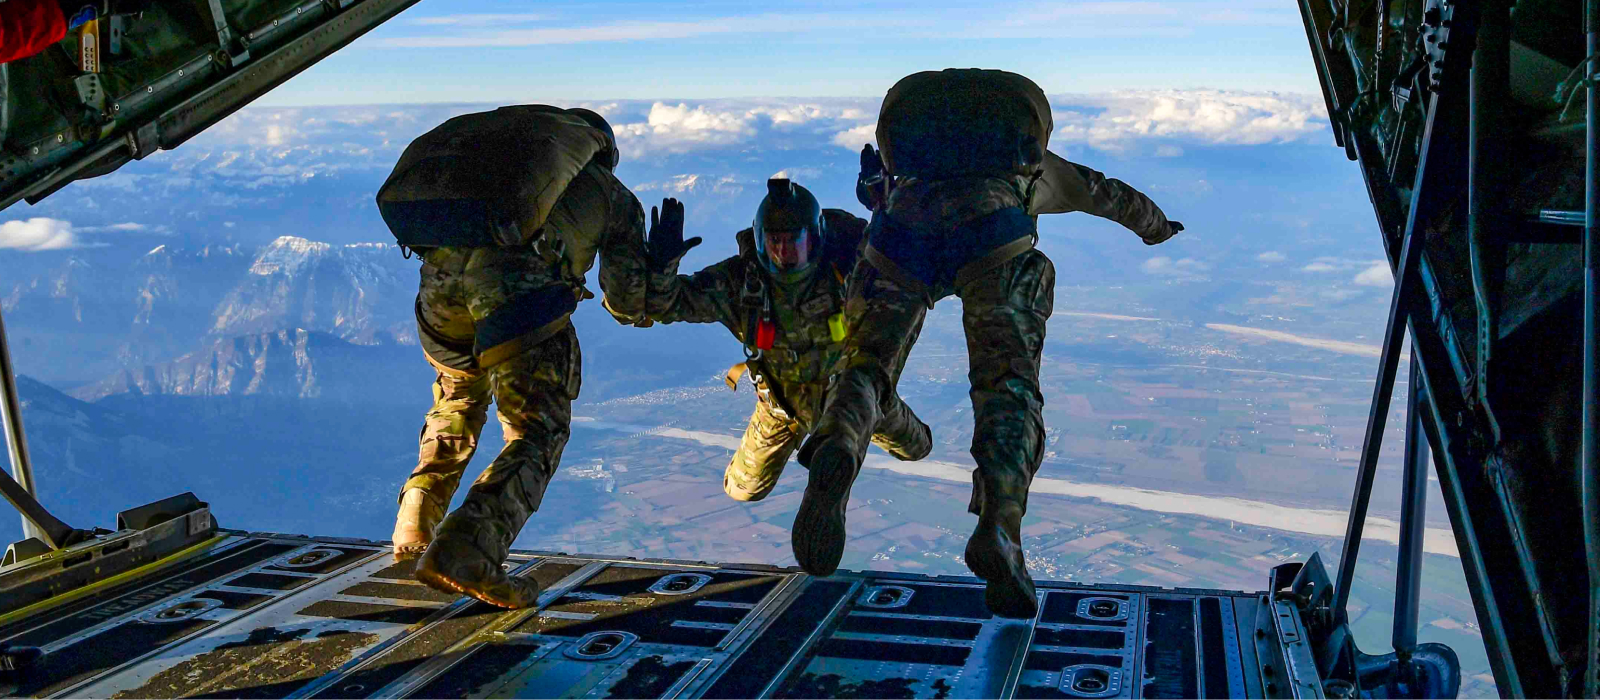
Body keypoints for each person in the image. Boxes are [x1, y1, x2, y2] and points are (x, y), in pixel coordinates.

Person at [796, 69, 1183, 618]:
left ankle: (839, 437)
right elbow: (1113, 197)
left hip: (899, 234)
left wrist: (876, 191)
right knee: (1008, 390)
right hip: (994, 240)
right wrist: (1158, 227)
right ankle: (1000, 526)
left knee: (865, 364)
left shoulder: (906, 171)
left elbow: (877, 199)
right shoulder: (1040, 167)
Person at [375, 105, 649, 608]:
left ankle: (415, 519)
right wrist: (658, 273)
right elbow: (629, 302)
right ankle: (469, 547)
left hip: (438, 291)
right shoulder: (613, 196)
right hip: (515, 294)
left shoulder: (496, 182)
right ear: (602, 154)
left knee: (456, 401)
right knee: (536, 430)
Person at [599, 178, 932, 504]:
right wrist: (662, 266)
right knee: (741, 488)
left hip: (857, 396)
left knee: (916, 448)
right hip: (781, 405)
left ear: (814, 239)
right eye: (774, 242)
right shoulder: (742, 282)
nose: (783, 252)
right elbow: (667, 305)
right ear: (760, 241)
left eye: (793, 241)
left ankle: (837, 464)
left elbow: (899, 263)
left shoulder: (848, 269)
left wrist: (885, 206)